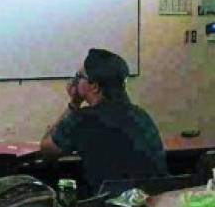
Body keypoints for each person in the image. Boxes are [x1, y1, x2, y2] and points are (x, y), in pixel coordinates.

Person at [40, 48, 168, 194]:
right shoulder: (141, 115)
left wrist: (74, 104)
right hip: (155, 204)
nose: (75, 81)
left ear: (94, 87)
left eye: (79, 76)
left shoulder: (82, 119)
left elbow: (47, 149)